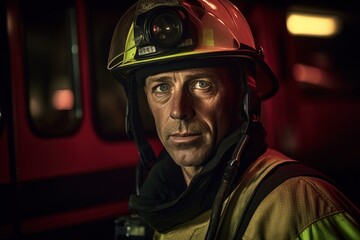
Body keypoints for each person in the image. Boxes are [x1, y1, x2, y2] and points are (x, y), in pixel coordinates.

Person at [107, 0, 360, 239]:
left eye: (201, 84)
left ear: (244, 97)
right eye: (161, 88)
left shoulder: (307, 206)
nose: (178, 110)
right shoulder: (163, 209)